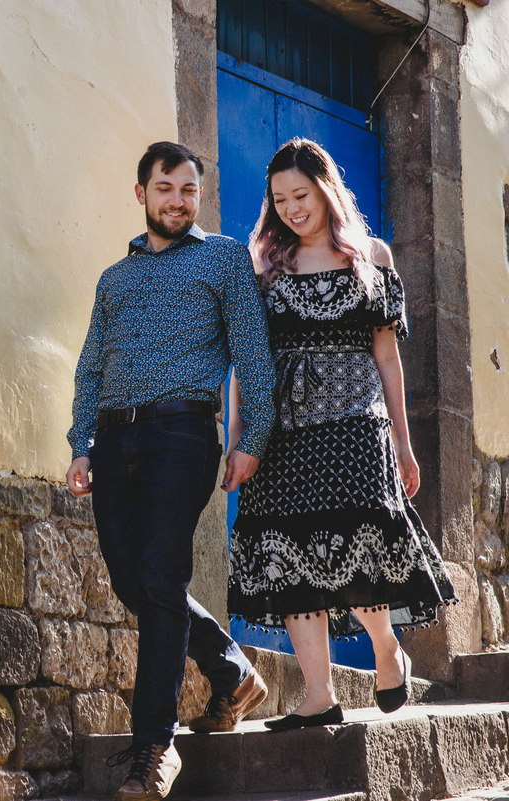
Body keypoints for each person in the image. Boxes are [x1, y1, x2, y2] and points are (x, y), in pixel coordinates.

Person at [66, 141, 277, 801]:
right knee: (136, 581)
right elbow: (91, 366)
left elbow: (252, 349)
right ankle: (231, 669)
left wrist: (253, 435)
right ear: (142, 194)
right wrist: (80, 442)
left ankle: (152, 750)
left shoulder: (222, 258)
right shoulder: (114, 279)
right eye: (167, 188)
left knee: (161, 573)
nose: (179, 200)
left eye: (189, 189)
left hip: (184, 434)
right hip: (113, 440)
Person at [226, 138, 456, 731]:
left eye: (300, 195)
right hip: (284, 431)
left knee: (358, 550)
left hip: (357, 427)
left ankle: (386, 648)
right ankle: (318, 693)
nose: (291, 209)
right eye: (279, 200)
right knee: (292, 555)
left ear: (326, 190)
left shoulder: (372, 256)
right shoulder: (261, 266)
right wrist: (237, 439)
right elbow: (243, 363)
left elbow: (387, 360)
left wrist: (404, 445)